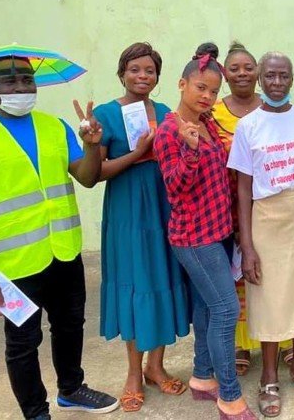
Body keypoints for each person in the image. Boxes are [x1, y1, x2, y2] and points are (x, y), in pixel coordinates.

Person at [0, 54, 118, 419]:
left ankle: (72, 389)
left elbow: (88, 177)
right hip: (14, 265)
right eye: (10, 82)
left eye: (27, 81)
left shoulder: (56, 127)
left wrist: (93, 145)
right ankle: (35, 412)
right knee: (22, 343)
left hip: (63, 251)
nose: (21, 88)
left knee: (70, 326)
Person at [228, 52, 294, 417]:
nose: (276, 83)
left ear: (292, 79)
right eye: (270, 76)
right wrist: (247, 243)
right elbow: (243, 188)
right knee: (272, 296)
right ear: (260, 79)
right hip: (268, 216)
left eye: (283, 76)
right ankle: (269, 375)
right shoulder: (248, 126)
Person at [153, 45, 255, 419]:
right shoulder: (169, 131)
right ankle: (228, 395)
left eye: (213, 91)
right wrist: (191, 150)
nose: (207, 96)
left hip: (219, 230)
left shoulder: (208, 121)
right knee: (226, 310)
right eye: (200, 88)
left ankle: (202, 377)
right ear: (182, 84)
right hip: (195, 238)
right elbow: (176, 191)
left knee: (207, 308)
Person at [94, 43, 190, 411]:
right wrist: (138, 153)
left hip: (165, 206)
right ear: (122, 73)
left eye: (149, 71)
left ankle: (157, 366)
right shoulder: (105, 114)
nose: (142, 76)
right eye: (135, 69)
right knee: (135, 284)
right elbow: (98, 172)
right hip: (127, 210)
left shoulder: (166, 112)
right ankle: (133, 373)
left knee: (162, 279)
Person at [211, 41, 293, 377]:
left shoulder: (275, 107)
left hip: (273, 208)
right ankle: (242, 344)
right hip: (227, 208)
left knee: (278, 276)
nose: (243, 73)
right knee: (240, 279)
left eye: (248, 67)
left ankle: (285, 341)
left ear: (258, 74)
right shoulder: (211, 112)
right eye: (234, 68)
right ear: (224, 75)